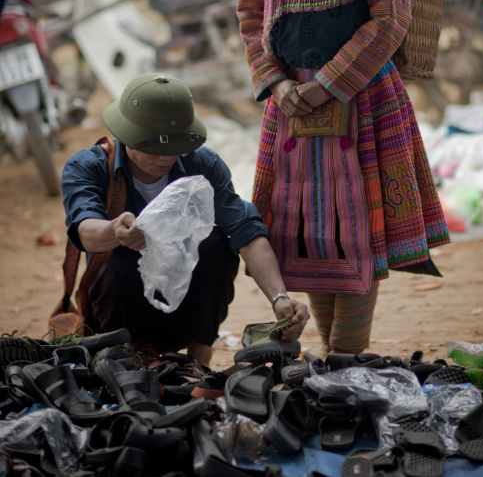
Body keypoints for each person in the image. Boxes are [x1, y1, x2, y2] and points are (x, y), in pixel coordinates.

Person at [237, 0, 450, 358]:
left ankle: (347, 357)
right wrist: (277, 81)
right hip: (290, 109)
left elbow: (390, 18)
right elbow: (248, 13)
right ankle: (335, 362)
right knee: (305, 228)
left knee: (355, 231)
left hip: (362, 99)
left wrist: (330, 83)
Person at [61, 72, 309, 367]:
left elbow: (246, 231)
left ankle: (200, 352)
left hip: (186, 316)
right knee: (119, 262)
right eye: (153, 147)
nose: (165, 158)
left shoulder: (201, 164)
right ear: (126, 135)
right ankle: (131, 357)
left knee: (217, 242)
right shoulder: (89, 167)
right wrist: (115, 231)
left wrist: (279, 298)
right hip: (119, 317)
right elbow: (84, 230)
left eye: (173, 147)